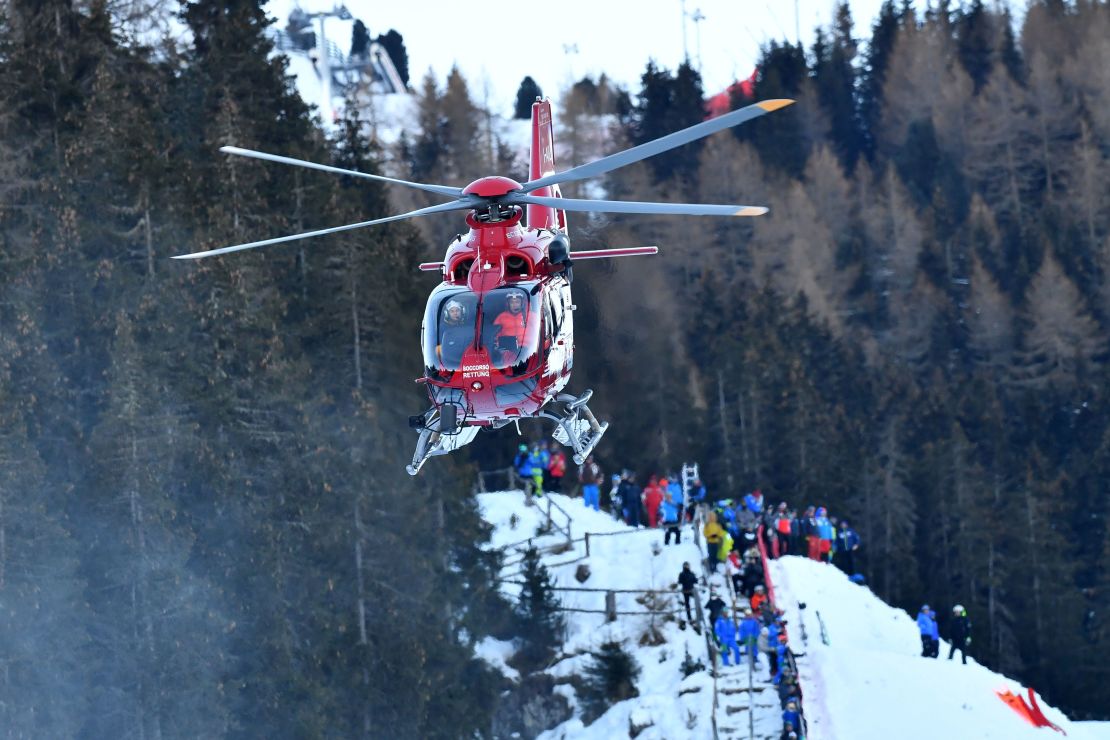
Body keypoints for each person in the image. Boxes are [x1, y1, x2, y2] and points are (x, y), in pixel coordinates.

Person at [491, 289, 528, 363]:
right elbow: (493, 336)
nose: (514, 305)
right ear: (508, 304)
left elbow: (538, 334)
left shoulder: (530, 316)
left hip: (527, 350)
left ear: (522, 304)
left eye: (517, 302)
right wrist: (500, 349)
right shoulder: (501, 317)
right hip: (508, 352)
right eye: (512, 302)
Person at [437, 299, 471, 367]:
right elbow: (438, 349)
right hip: (449, 363)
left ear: (462, 312)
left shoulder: (467, 325)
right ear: (447, 314)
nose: (455, 313)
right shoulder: (442, 329)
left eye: (457, 310)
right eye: (452, 311)